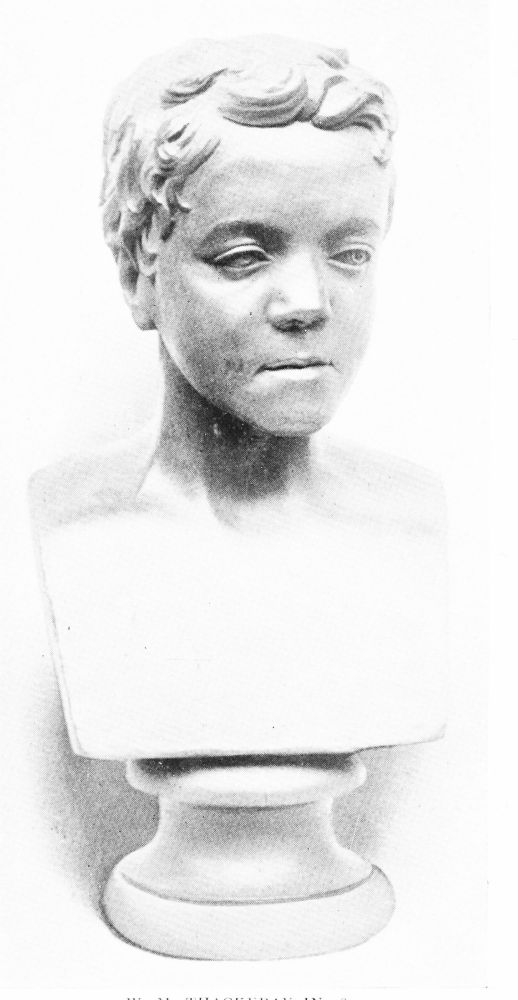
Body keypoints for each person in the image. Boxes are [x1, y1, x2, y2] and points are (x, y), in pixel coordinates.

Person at [30, 36, 447, 760]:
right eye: (243, 258)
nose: (308, 303)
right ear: (136, 273)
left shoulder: (413, 520)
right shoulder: (75, 525)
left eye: (350, 254)